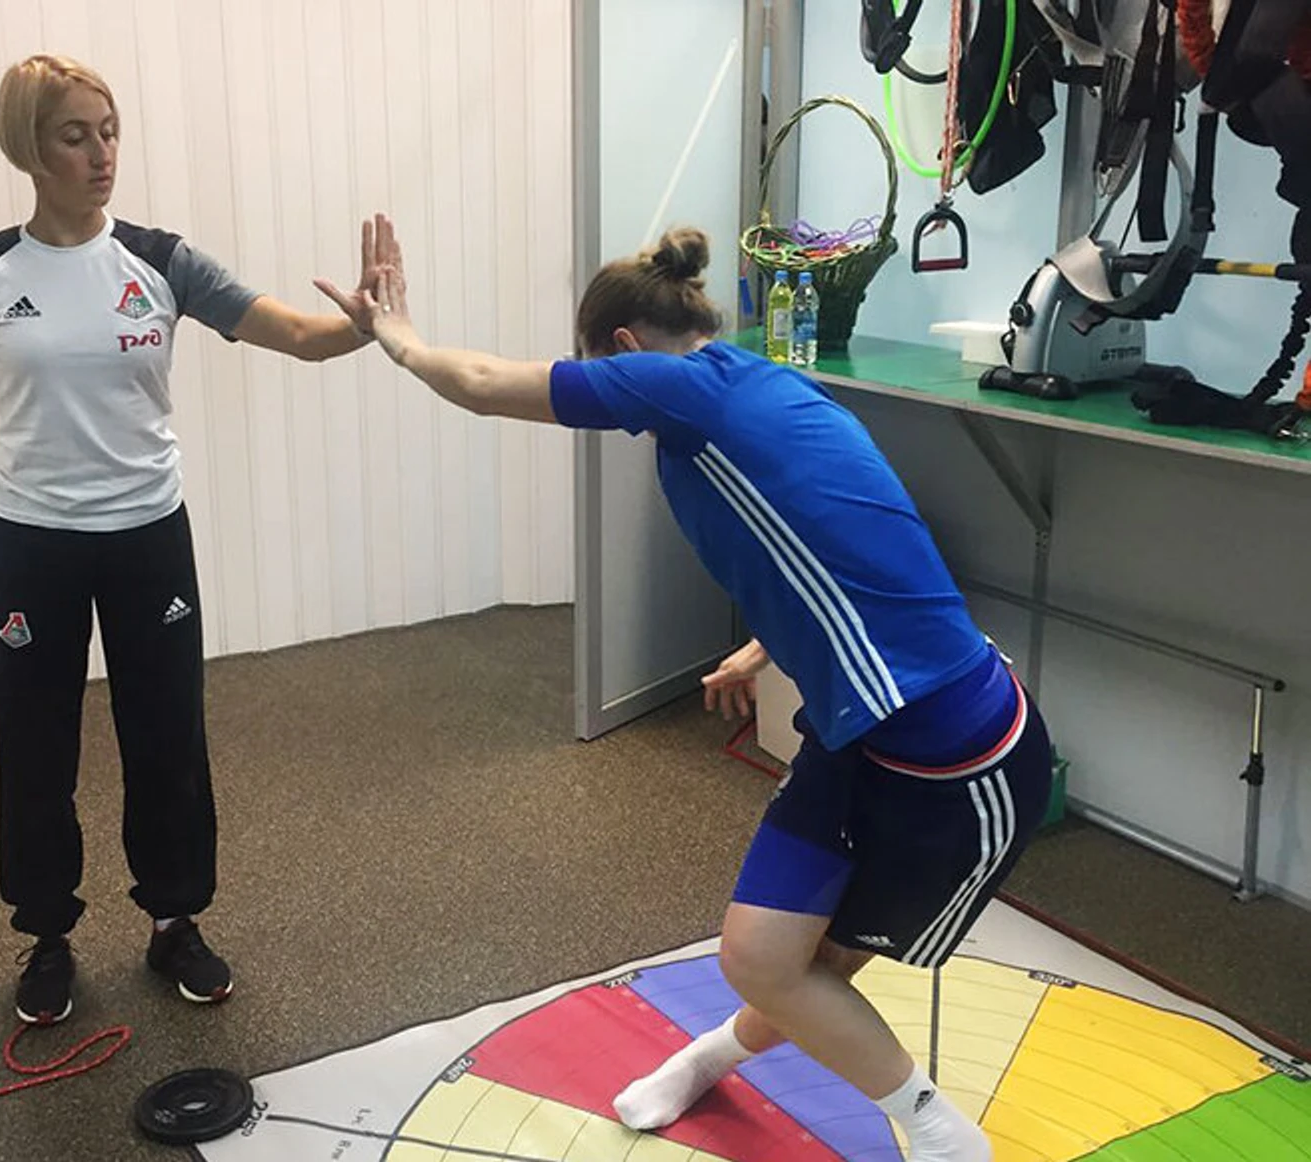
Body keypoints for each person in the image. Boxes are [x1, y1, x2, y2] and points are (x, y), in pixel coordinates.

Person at [319, 218, 1052, 1162]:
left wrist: (397, 335)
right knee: (768, 959)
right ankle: (712, 1058)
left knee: (812, 967)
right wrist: (764, 648)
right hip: (858, 731)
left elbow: (482, 383)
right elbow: (834, 540)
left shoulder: (681, 390)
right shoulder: (761, 384)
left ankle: (943, 1138)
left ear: (625, 349)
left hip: (954, 747)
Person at [0, 55, 382, 1026]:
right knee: (35, 745)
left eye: (110, 131)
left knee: (166, 733)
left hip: (147, 534)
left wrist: (360, 324)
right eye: (75, 135)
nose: (101, 154)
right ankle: (46, 932)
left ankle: (174, 919)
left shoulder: (160, 260)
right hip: (32, 541)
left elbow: (296, 333)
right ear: (30, 148)